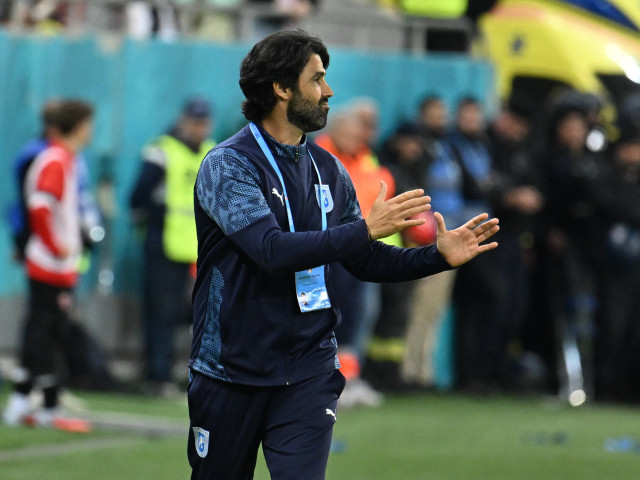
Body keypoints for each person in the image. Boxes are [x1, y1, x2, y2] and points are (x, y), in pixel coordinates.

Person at [187, 29, 500, 479]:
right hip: (231, 369)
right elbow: (270, 251)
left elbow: (365, 258)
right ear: (281, 88)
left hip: (308, 367)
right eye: (316, 79)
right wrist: (365, 229)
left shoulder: (328, 170)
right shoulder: (229, 164)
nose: (328, 90)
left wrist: (437, 257)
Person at [2, 100, 94, 432]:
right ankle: (49, 405)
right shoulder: (55, 159)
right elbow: (40, 206)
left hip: (56, 264)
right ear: (78, 126)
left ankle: (19, 402)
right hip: (49, 264)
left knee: (42, 330)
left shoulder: (65, 159)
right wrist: (56, 246)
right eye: (88, 124)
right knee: (47, 334)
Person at [130, 97, 216, 396]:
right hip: (164, 244)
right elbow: (138, 197)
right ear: (183, 121)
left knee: (194, 314)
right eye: (195, 121)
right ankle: (158, 375)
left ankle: (180, 372)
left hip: (198, 250)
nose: (199, 128)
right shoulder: (162, 151)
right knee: (161, 312)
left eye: (203, 122)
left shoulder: (212, 152)